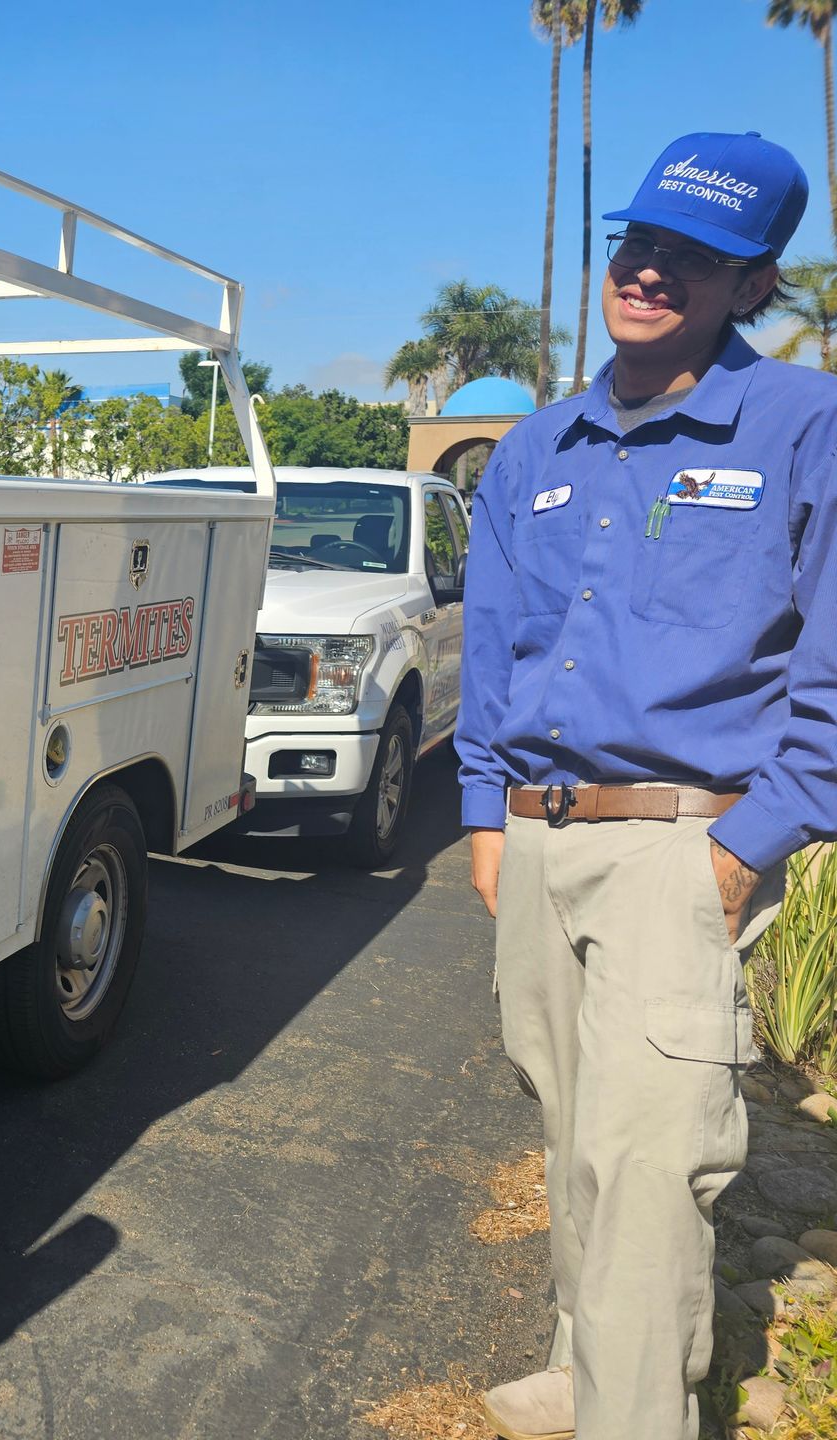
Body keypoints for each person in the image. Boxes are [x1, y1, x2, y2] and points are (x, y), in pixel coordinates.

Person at [458, 131, 837, 1440]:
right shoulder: (534, 449)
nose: (653, 270)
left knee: (646, 1161)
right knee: (572, 1137)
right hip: (538, 841)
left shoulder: (801, 426)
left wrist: (753, 840)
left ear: (752, 285)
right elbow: (493, 644)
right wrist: (483, 810)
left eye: (697, 255)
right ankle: (585, 1369)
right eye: (641, 241)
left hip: (684, 846)